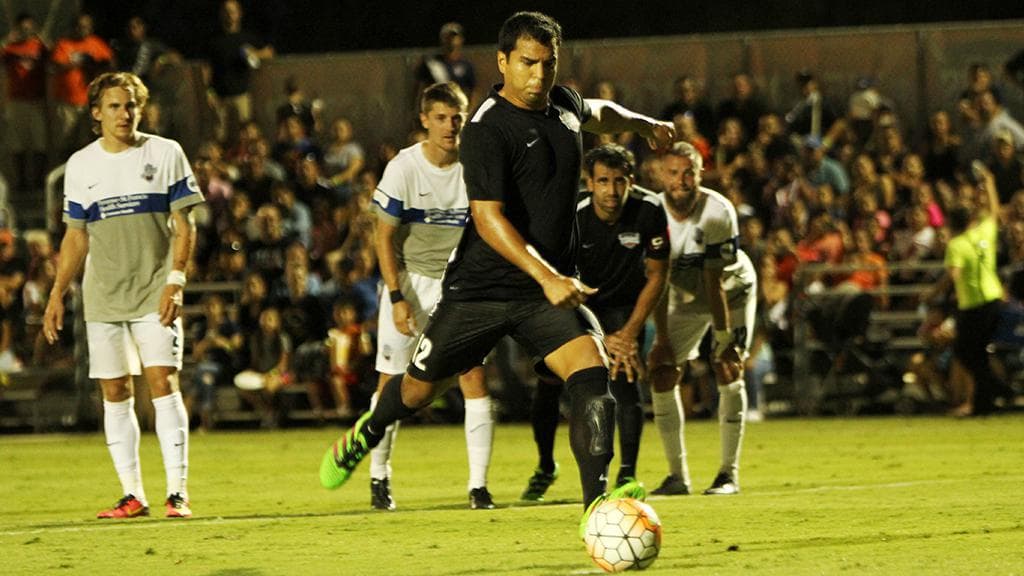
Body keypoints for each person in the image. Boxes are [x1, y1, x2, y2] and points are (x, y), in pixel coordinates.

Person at [320, 12, 673, 531]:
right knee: (417, 392)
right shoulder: (486, 127)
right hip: (482, 289)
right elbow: (487, 218)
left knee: (593, 376)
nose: (538, 75)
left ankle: (597, 510)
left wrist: (642, 124)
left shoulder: (564, 103)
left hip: (543, 294)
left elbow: (596, 111)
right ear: (503, 62)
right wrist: (548, 275)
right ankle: (369, 429)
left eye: (548, 64)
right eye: (527, 63)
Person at [42, 72, 204, 518]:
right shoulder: (81, 165)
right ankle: (133, 494)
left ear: (141, 107)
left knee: (162, 383)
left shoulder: (166, 153)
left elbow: (183, 225)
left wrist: (177, 279)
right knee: (114, 391)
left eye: (131, 105)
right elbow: (76, 237)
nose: (124, 113)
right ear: (96, 113)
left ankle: (178, 492)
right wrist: (57, 293)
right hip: (103, 297)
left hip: (155, 290)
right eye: (114, 106)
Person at [362, 81, 497, 511]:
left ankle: (478, 487)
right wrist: (397, 296)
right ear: (424, 120)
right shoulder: (404, 167)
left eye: (457, 117)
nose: (450, 126)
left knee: (474, 376)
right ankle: (379, 476)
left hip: (460, 288)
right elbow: (382, 237)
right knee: (392, 382)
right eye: (441, 117)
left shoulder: (475, 165)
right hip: (412, 282)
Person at [520, 143, 668, 501]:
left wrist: (628, 335)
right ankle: (545, 465)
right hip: (579, 305)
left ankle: (627, 476)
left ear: (631, 181)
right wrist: (599, 335)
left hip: (625, 311)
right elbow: (558, 276)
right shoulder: (574, 215)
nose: (612, 191)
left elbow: (658, 275)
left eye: (619, 181)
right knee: (548, 384)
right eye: (603, 181)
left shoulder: (649, 210)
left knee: (624, 374)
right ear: (589, 182)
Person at [646, 141, 757, 497]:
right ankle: (677, 476)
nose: (681, 180)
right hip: (688, 295)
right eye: (674, 172)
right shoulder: (651, 214)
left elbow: (716, 282)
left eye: (688, 172)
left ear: (700, 173)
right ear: (661, 174)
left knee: (727, 367)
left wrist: (724, 340)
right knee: (663, 372)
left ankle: (728, 474)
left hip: (732, 290)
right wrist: (661, 339)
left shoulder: (717, 210)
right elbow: (657, 281)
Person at [944, 163, 1012, 415]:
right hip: (994, 299)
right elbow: (994, 213)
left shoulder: (956, 244)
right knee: (979, 354)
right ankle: (983, 403)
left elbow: (953, 275)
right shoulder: (983, 232)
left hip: (973, 305)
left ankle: (999, 389)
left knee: (965, 352)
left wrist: (935, 292)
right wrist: (990, 183)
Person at [203, 0, 274, 144]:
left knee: (246, 133)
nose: (229, 15)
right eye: (226, 11)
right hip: (220, 97)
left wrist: (254, 53)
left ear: (239, 14)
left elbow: (269, 52)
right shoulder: (214, 40)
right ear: (221, 15)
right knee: (220, 135)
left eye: (232, 11)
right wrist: (208, 91)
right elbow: (206, 68)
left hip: (242, 95)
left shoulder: (247, 38)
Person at [50, 13, 113, 160]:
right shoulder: (64, 44)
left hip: (90, 102)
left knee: (87, 142)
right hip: (67, 103)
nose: (83, 29)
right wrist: (76, 63)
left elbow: (109, 64)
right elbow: (56, 65)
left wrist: (94, 65)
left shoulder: (97, 44)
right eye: (79, 26)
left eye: (86, 26)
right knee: (66, 142)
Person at [1, 12, 49, 191]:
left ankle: (38, 181)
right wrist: (7, 39)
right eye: (23, 28)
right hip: (16, 101)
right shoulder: (10, 49)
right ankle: (21, 181)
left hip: (37, 101)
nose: (26, 31)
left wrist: (41, 37)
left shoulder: (39, 47)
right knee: (17, 144)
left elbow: (54, 56)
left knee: (40, 143)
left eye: (29, 28)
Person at [415, 22, 479, 108]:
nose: (451, 40)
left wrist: (470, 113)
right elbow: (421, 90)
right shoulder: (432, 64)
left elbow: (473, 92)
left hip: (457, 109)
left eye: (454, 37)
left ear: (461, 39)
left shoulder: (466, 66)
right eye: (447, 37)